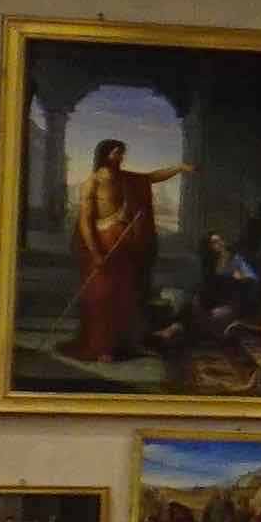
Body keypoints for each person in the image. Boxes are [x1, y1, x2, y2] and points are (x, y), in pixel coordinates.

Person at [65, 136, 179, 362]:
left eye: (122, 153)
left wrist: (179, 168)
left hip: (125, 244)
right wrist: (96, 253)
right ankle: (101, 347)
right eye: (117, 153)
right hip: (104, 243)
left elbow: (151, 177)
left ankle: (122, 345)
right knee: (102, 297)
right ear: (105, 154)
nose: (121, 157)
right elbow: (85, 221)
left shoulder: (125, 178)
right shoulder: (92, 182)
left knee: (125, 295)